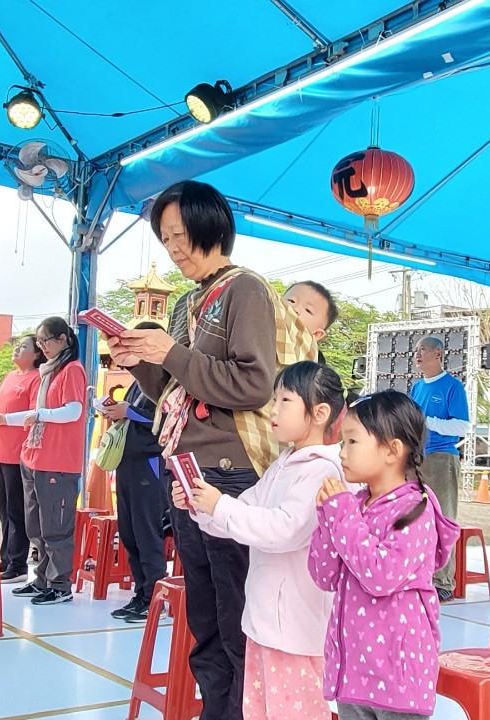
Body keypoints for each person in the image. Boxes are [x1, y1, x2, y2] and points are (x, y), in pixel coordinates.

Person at [108, 180, 317, 720]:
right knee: (204, 615)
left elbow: (253, 384)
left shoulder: (243, 289)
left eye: (180, 235)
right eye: (165, 238)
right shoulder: (188, 301)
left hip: (231, 472)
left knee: (236, 617)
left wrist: (171, 353)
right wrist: (141, 361)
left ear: (212, 227)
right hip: (189, 469)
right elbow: (178, 388)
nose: (173, 248)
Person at [176, 361, 343, 719]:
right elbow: (245, 511)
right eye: (274, 400)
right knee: (261, 711)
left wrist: (219, 506)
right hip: (265, 624)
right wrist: (202, 507)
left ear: (319, 413)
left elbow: (284, 530)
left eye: (285, 401)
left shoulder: (322, 470)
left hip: (295, 631)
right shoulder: (284, 464)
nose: (273, 410)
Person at [309, 390, 459, 720]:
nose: (342, 451)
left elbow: (381, 576)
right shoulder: (354, 506)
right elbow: (325, 575)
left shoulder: (415, 509)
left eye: (352, 441)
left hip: (397, 676)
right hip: (354, 672)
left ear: (392, 450)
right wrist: (327, 516)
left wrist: (342, 516)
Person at [0, 316, 87, 605]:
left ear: (62, 339)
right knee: (36, 526)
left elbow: (73, 411)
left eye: (45, 340)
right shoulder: (49, 371)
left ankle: (59, 584)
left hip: (58, 459)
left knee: (56, 527)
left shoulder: (71, 369)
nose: (42, 346)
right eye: (40, 341)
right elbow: (36, 413)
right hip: (35, 457)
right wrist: (4, 419)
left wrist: (40, 415)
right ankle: (42, 578)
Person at [107, 321, 169, 624]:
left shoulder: (166, 376)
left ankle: (154, 597)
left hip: (150, 462)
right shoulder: (137, 377)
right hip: (127, 461)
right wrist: (118, 410)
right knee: (130, 533)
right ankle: (141, 592)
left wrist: (129, 412)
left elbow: (165, 417)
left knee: (147, 533)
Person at [408, 335, 469, 601]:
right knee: (413, 517)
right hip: (416, 458)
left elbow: (461, 426)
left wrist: (425, 421)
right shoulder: (417, 387)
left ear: (438, 354)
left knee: (442, 518)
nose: (417, 354)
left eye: (423, 350)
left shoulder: (452, 386)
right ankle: (416, 574)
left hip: (442, 458)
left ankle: (443, 581)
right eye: (416, 350)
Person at [0, 334, 44, 584]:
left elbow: (33, 415)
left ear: (36, 354)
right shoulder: (10, 376)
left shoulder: (36, 378)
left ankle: (18, 563)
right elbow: (2, 409)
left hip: (17, 451)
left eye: (23, 347)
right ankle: (6, 559)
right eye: (17, 346)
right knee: (3, 509)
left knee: (16, 510)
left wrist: (4, 419)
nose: (17, 350)